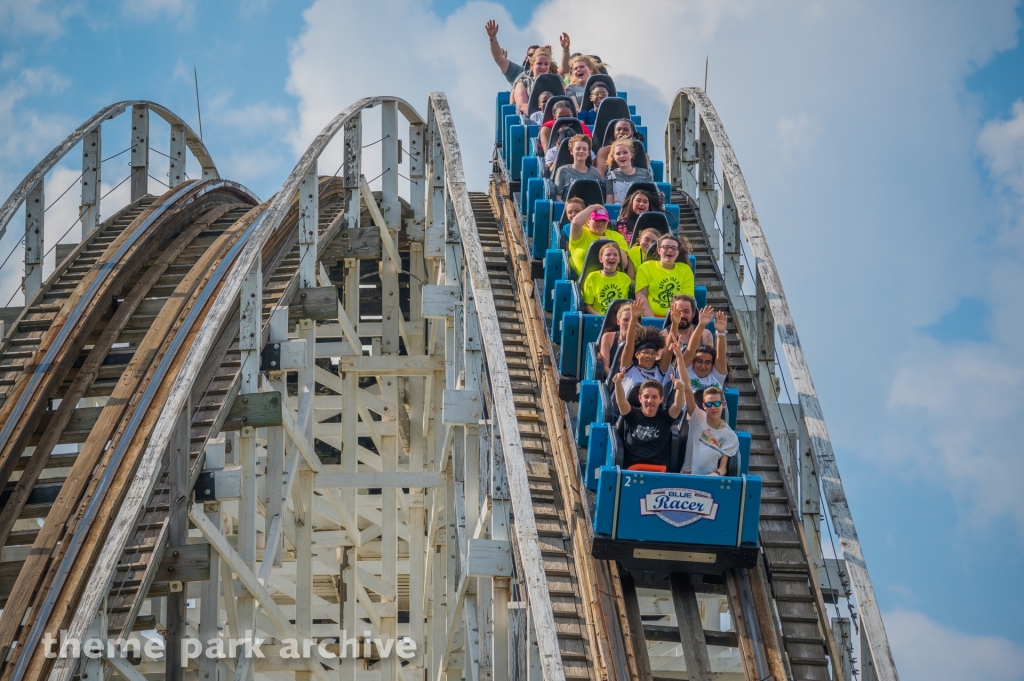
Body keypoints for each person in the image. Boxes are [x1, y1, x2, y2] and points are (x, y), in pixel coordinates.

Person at [613, 372, 686, 472]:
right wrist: (618, 383)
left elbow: (678, 405)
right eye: (646, 396)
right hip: (633, 470)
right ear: (640, 398)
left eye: (654, 397)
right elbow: (621, 402)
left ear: (661, 399)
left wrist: (680, 389)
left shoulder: (665, 417)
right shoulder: (632, 415)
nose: (650, 400)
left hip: (658, 471)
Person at [680, 384, 738, 476]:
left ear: (723, 405)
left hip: (709, 480)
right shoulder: (697, 418)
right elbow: (687, 390)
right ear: (704, 406)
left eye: (717, 403)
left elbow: (723, 468)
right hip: (687, 476)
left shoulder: (730, 437)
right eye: (709, 404)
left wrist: (716, 474)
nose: (713, 407)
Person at [618, 299, 673, 394]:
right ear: (637, 355)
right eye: (646, 352)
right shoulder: (629, 370)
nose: (650, 356)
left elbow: (668, 350)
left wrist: (675, 324)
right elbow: (629, 344)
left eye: (653, 354)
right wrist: (634, 318)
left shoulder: (659, 371)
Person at [636, 234, 695, 318]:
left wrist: (673, 320)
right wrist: (652, 320)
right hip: (649, 318)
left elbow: (686, 299)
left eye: (674, 248)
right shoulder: (645, 267)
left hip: (676, 318)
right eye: (666, 247)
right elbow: (641, 295)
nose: (670, 250)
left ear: (678, 252)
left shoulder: (685, 270)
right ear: (659, 250)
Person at [568, 203, 629, 276]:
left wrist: (610, 244)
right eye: (597, 220)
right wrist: (593, 207)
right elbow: (575, 223)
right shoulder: (581, 234)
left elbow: (624, 264)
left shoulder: (616, 236)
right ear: (588, 222)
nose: (600, 223)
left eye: (604, 220)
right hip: (583, 284)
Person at [681, 306, 729, 393]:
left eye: (707, 363)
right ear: (693, 361)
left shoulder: (716, 376)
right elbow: (690, 349)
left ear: (712, 365)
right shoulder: (686, 371)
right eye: (699, 361)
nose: (703, 366)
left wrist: (721, 332)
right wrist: (701, 325)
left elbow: (721, 356)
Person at [582, 242, 633, 315]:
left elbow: (626, 304)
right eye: (608, 254)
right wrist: (601, 318)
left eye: (615, 255)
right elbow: (587, 305)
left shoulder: (625, 278)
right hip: (599, 318)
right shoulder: (592, 277)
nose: (612, 257)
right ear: (601, 259)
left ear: (619, 259)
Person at [553, 135, 604, 203]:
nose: (581, 151)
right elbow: (558, 198)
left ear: (588, 153)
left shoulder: (595, 173)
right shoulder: (562, 171)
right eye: (578, 148)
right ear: (571, 151)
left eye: (584, 149)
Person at [604, 139, 653, 204]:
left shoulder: (645, 174)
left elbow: (652, 198)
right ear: (614, 158)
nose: (622, 156)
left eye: (625, 152)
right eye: (618, 154)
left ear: (631, 155)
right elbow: (609, 202)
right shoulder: (610, 175)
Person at [512, 48, 553, 114]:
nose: (543, 67)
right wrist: (539, 117)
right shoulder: (522, 83)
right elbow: (522, 105)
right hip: (531, 120)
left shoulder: (555, 82)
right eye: (539, 63)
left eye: (546, 64)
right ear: (532, 65)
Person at [599, 302, 632, 375]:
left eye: (632, 320)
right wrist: (617, 381)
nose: (629, 323)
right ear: (618, 321)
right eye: (625, 320)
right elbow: (605, 367)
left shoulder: (641, 339)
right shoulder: (607, 337)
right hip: (613, 380)